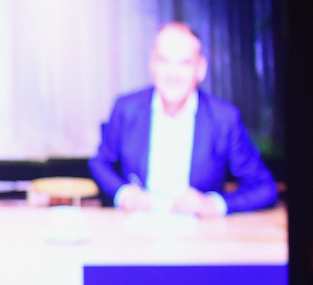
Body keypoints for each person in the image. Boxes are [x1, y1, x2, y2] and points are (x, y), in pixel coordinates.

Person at [89, 22, 278, 217]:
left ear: (201, 69)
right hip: (135, 227)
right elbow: (100, 163)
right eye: (164, 60)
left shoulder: (224, 119)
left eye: (185, 63)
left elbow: (265, 189)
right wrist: (123, 194)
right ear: (152, 64)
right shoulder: (126, 108)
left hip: (200, 231)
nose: (173, 73)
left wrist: (213, 205)